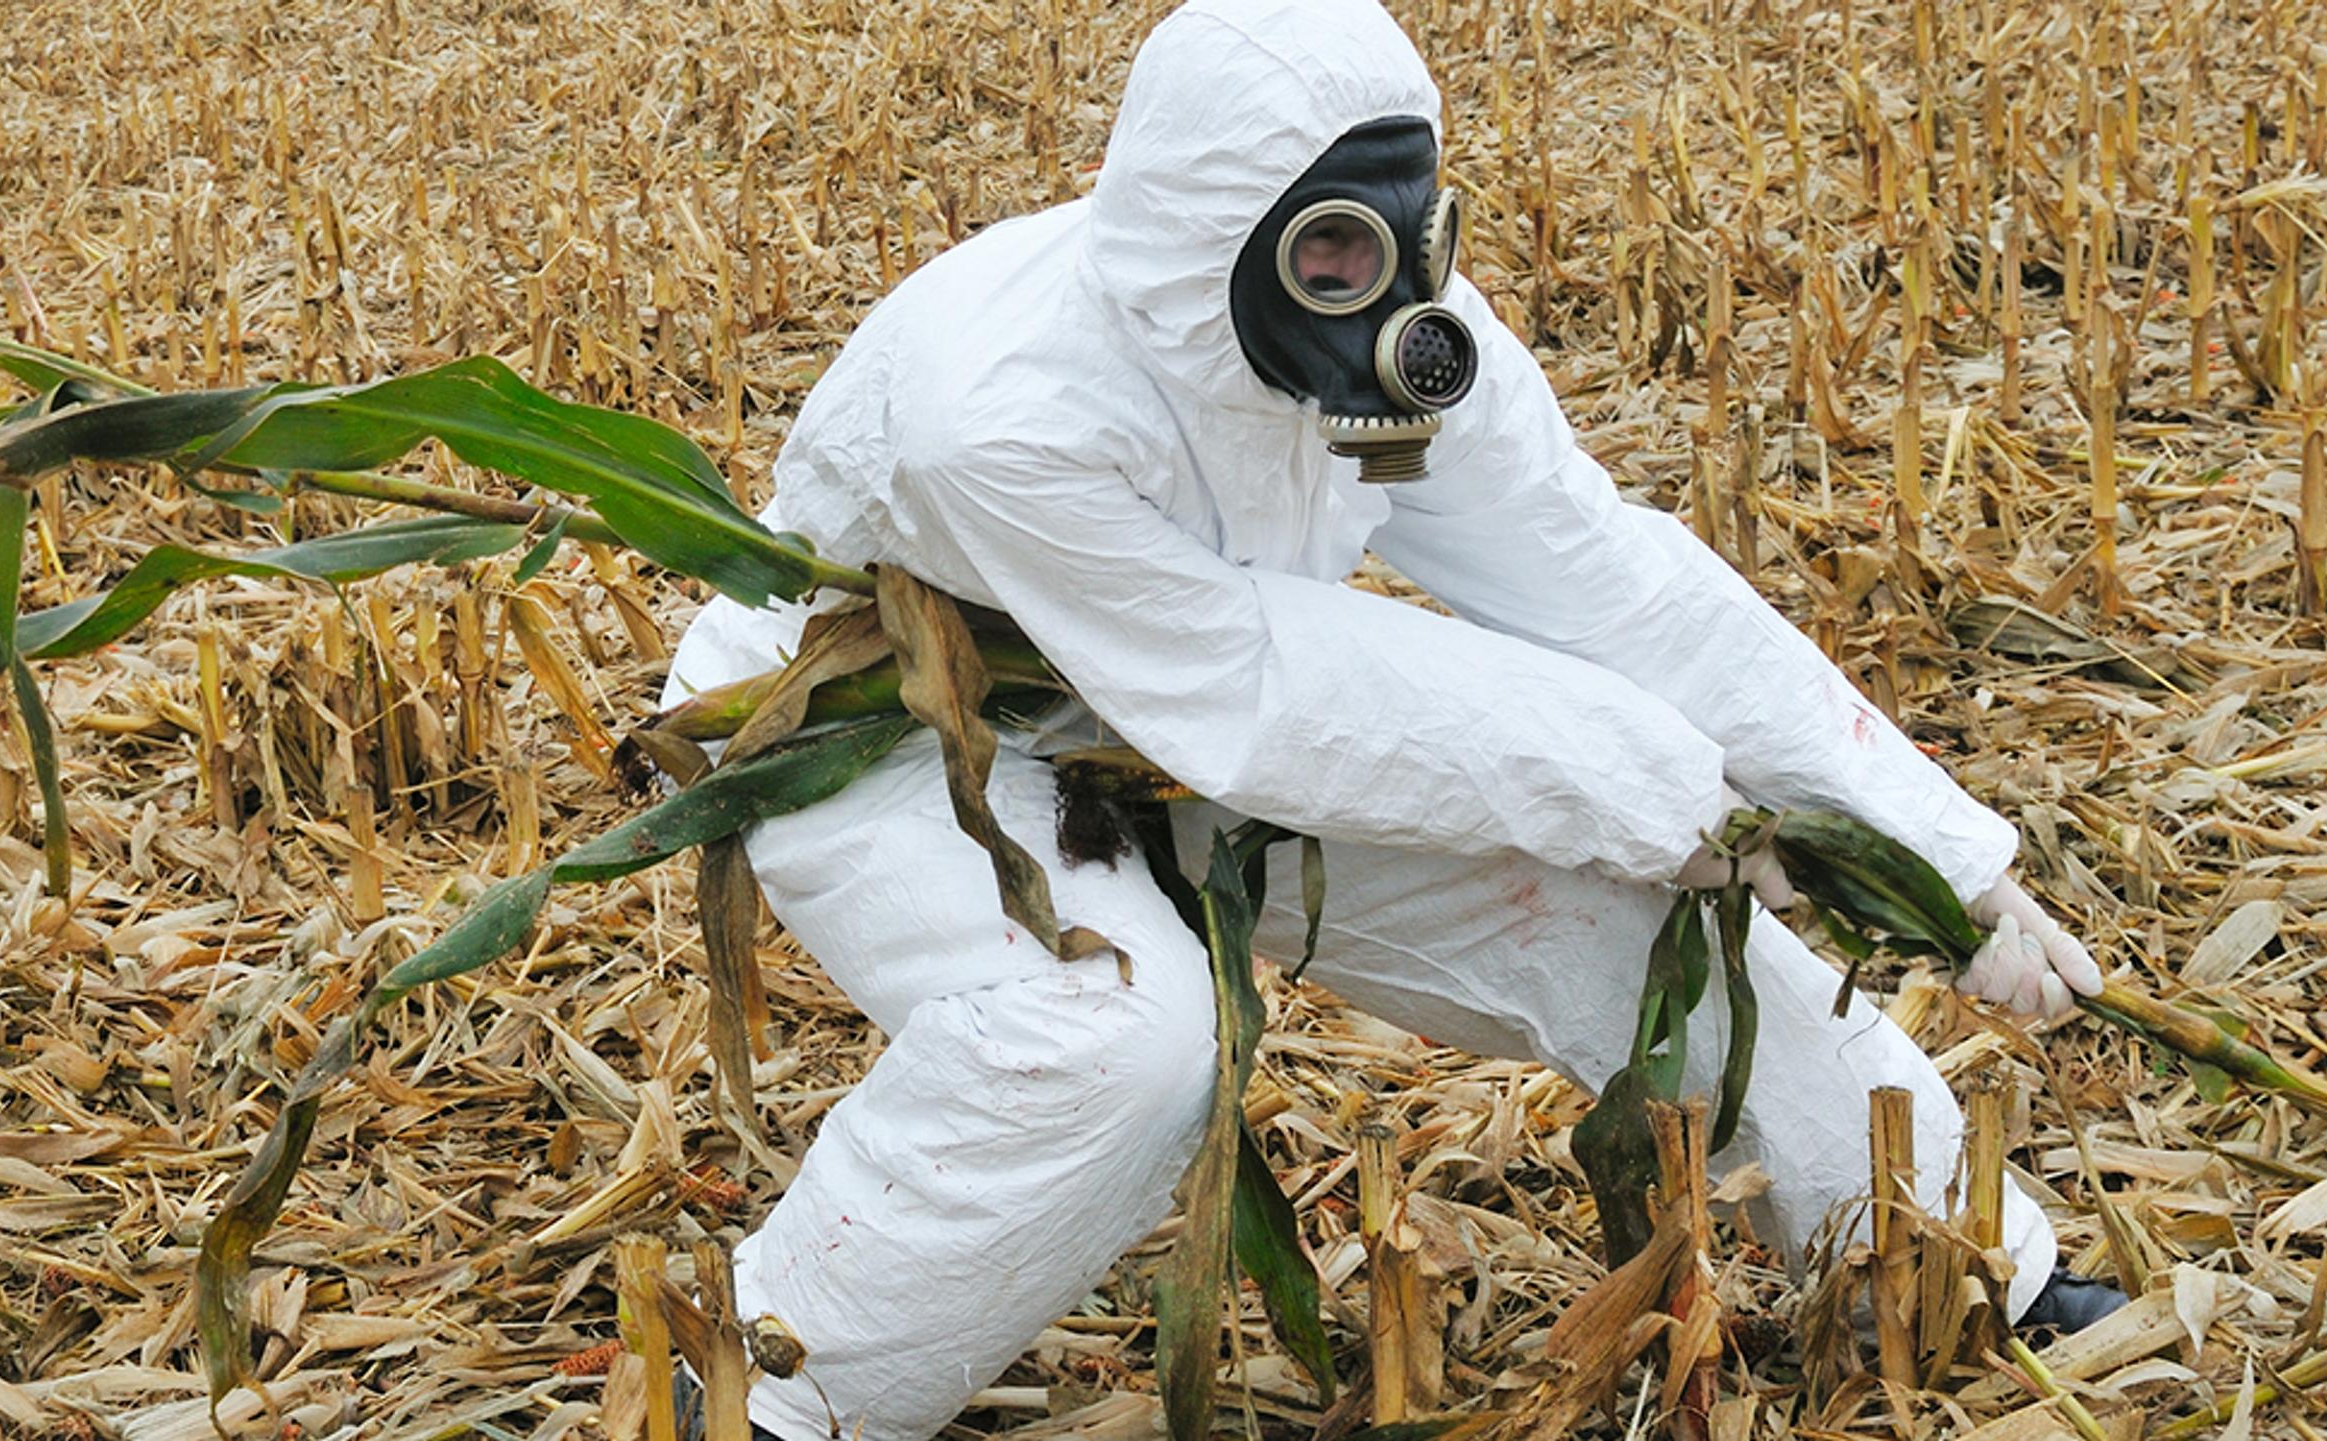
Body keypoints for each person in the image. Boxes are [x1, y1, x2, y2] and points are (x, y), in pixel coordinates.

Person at [657, 0, 2122, 1433]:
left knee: (1615, 905)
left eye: (1408, 230)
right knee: (1105, 1033)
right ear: (1209, 239)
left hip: (1178, 711)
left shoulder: (1385, 329)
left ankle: (1948, 1255)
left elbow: (1602, 580)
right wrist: (1690, 807)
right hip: (903, 733)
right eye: (1336, 248)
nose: (1391, 285)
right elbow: (1257, 690)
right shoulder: (1004, 410)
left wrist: (1931, 851)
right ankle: (761, 1396)